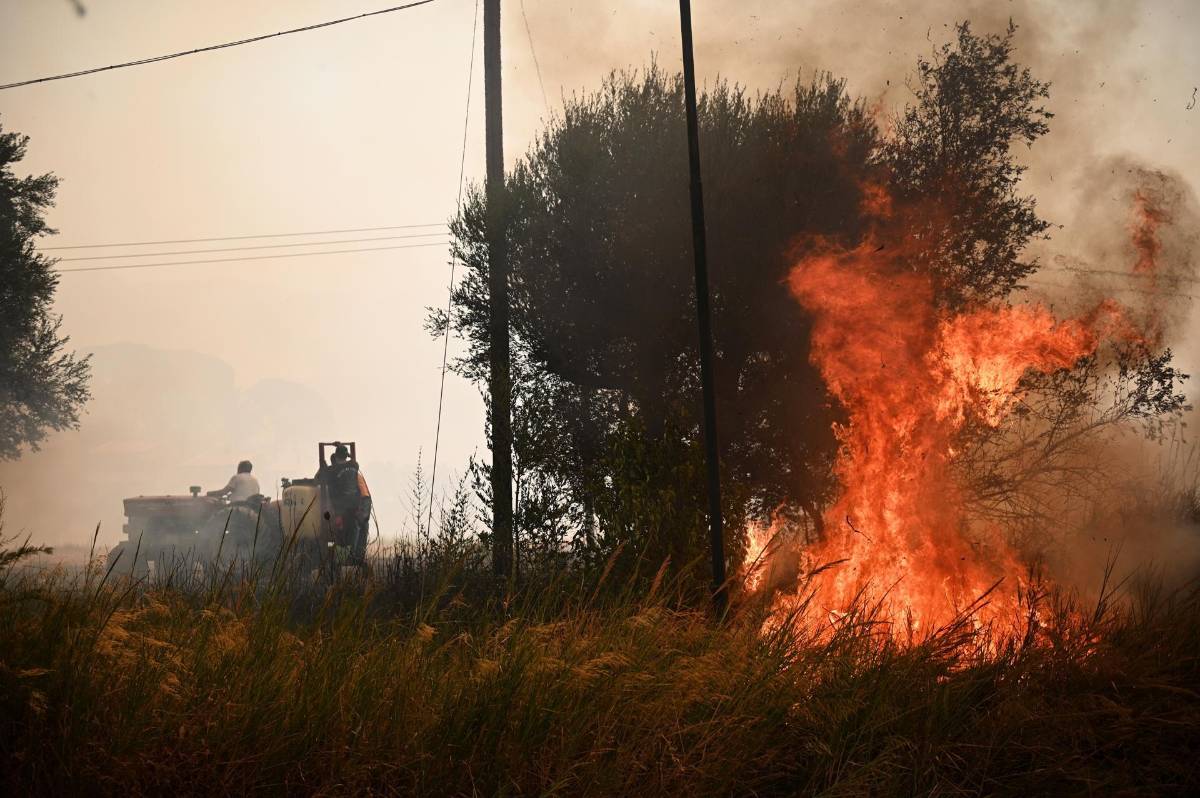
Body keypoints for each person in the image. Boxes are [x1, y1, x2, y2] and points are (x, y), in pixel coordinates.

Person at [319, 444, 372, 562]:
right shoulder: (354, 466)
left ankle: (342, 559)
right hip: (358, 504)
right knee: (360, 528)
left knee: (340, 535)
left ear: (335, 459)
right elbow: (352, 461)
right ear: (346, 457)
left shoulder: (331, 471)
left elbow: (319, 477)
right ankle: (357, 558)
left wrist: (323, 465)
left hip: (342, 508)